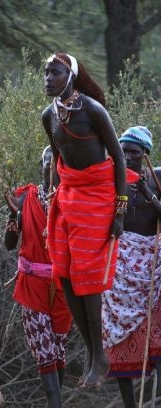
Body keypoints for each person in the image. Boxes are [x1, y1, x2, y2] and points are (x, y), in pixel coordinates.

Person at [42, 52, 128, 388]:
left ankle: (100, 357)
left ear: (71, 76)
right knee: (63, 273)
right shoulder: (48, 115)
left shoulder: (93, 110)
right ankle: (94, 353)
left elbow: (118, 158)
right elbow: (56, 158)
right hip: (68, 197)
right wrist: (51, 194)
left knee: (87, 277)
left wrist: (120, 209)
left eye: (55, 73)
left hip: (98, 197)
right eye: (46, 73)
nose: (48, 79)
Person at [4, 146, 73, 408]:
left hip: (63, 287)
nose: (49, 166)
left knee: (57, 353)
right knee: (44, 351)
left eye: (55, 162)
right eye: (45, 160)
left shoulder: (72, 199)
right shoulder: (25, 197)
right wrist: (13, 217)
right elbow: (9, 243)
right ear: (40, 163)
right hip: (31, 283)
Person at [101, 125, 161, 408]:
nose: (127, 156)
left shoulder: (157, 177)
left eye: (134, 152)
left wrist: (150, 196)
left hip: (153, 273)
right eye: (122, 151)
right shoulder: (112, 180)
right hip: (119, 273)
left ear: (146, 154)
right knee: (118, 348)